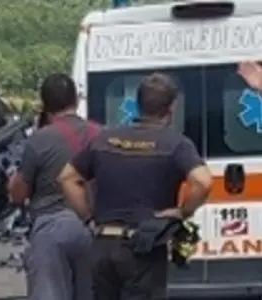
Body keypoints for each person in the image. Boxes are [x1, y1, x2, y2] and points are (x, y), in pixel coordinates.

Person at [58, 72, 213, 299]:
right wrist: (182, 212)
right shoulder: (175, 144)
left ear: (137, 104)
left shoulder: (105, 139)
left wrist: (88, 217)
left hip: (103, 246)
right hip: (144, 248)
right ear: (171, 109)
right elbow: (203, 181)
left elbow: (67, 178)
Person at [7, 73, 98, 300]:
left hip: (51, 229)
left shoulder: (39, 139)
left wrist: (11, 179)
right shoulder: (100, 134)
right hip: (94, 229)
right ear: (76, 101)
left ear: (45, 105)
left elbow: (19, 194)